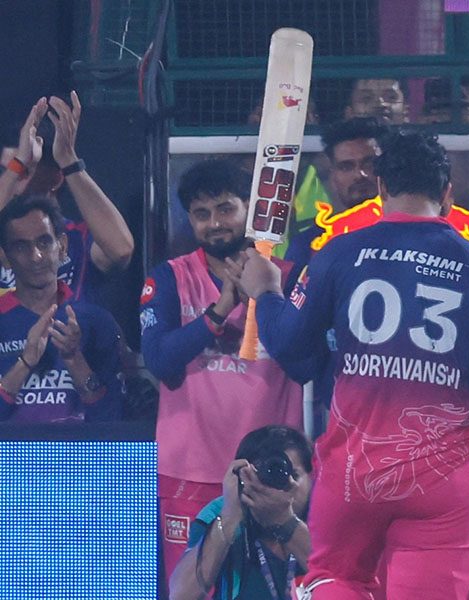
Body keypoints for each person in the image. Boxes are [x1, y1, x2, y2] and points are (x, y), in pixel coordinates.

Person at [235, 130, 469, 599]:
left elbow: (293, 350)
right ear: (447, 193)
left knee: (333, 580)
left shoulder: (339, 252)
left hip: (354, 474)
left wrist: (267, 292)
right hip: (443, 478)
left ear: (380, 188)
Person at [140, 159, 310, 590]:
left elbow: (306, 364)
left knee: (275, 589)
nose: (215, 223)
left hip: (273, 473)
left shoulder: (287, 278)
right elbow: (159, 360)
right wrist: (219, 311)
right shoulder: (170, 277)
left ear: (248, 209)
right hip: (191, 472)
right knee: (190, 589)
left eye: (225, 208)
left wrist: (265, 297)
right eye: (201, 214)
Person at [0, 194, 123, 422]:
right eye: (21, 246)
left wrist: (74, 359)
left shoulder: (97, 322)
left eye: (44, 242)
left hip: (79, 447)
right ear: (4, 256)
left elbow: (112, 418)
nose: (36, 256)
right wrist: (25, 363)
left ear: (62, 246)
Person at [0, 93, 134, 301]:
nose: (12, 181)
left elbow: (121, 250)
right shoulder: (4, 237)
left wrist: (68, 160)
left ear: (54, 178)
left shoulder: (77, 238)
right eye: (7, 171)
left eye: (24, 172)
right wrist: (19, 163)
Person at [169, 425, 314, 600]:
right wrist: (229, 518)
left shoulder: (323, 512)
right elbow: (181, 596)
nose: (280, 484)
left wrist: (284, 519)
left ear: (311, 477)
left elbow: (336, 577)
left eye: (294, 475)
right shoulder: (222, 509)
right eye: (269, 474)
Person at [284, 117, 387, 267]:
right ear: (332, 176)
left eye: (369, 164)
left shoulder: (409, 233)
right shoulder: (309, 244)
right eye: (346, 167)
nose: (359, 175)